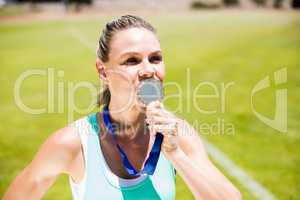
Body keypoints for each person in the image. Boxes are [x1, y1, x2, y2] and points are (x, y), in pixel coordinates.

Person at [4, 15, 241, 200]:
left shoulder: (177, 133)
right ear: (103, 71)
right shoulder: (73, 143)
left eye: (155, 58)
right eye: (132, 60)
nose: (148, 70)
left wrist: (176, 154)